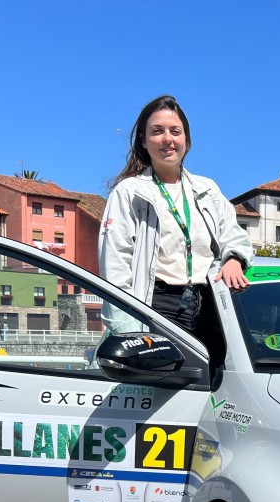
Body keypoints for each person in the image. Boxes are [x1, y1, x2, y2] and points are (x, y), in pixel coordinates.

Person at [99, 94, 252, 362]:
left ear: (187, 142)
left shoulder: (207, 189)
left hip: (211, 306)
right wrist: (128, 331)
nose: (167, 139)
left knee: (214, 387)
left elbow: (233, 233)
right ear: (144, 142)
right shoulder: (130, 192)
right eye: (157, 132)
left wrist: (234, 259)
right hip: (158, 307)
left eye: (175, 131)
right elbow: (115, 265)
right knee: (167, 388)